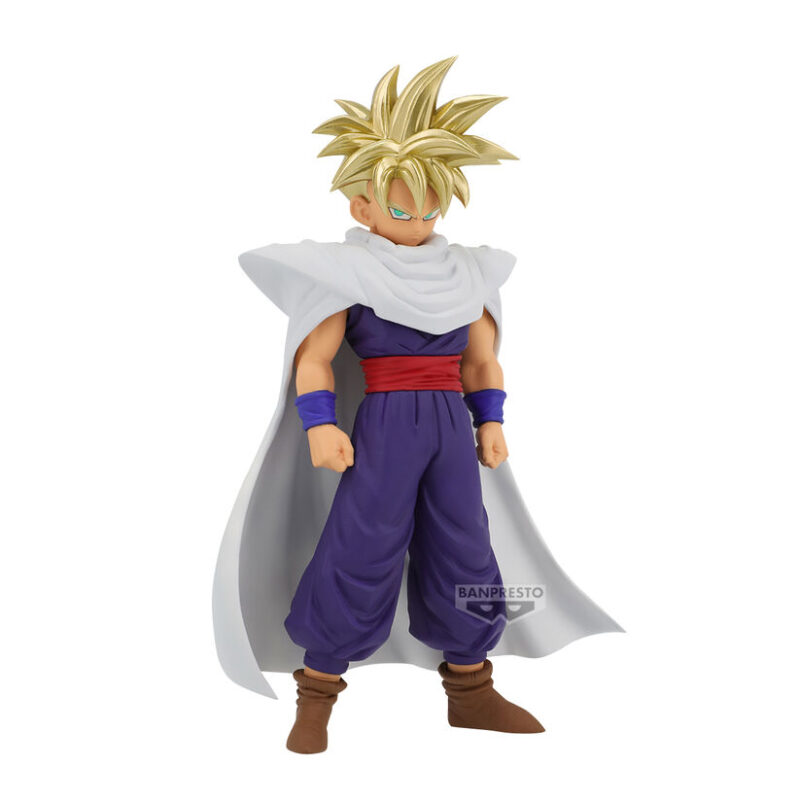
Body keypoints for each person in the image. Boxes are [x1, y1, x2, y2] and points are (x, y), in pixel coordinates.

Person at [212, 56, 623, 755]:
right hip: (384, 424)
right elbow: (314, 359)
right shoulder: (347, 273)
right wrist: (319, 425)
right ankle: (318, 690)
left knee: (466, 548)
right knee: (360, 547)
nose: (420, 220)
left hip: (448, 425)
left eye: (432, 207)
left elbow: (481, 359)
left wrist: (491, 419)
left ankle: (471, 687)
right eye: (402, 209)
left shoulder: (468, 272)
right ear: (362, 207)